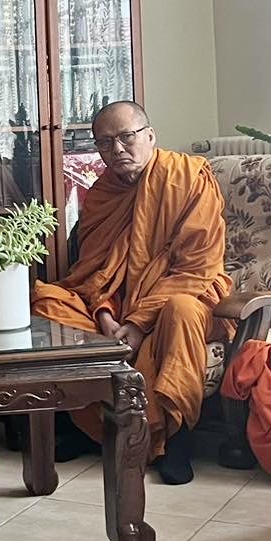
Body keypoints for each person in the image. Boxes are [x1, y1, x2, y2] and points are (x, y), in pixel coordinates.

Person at [32, 101, 231, 485]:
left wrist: (138, 323)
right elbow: (95, 270)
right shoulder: (102, 193)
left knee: (181, 310)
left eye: (127, 137)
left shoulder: (188, 177)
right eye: (105, 143)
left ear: (150, 136)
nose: (117, 149)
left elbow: (197, 268)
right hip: (117, 305)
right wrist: (105, 314)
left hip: (186, 297)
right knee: (48, 302)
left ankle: (176, 439)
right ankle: (90, 428)